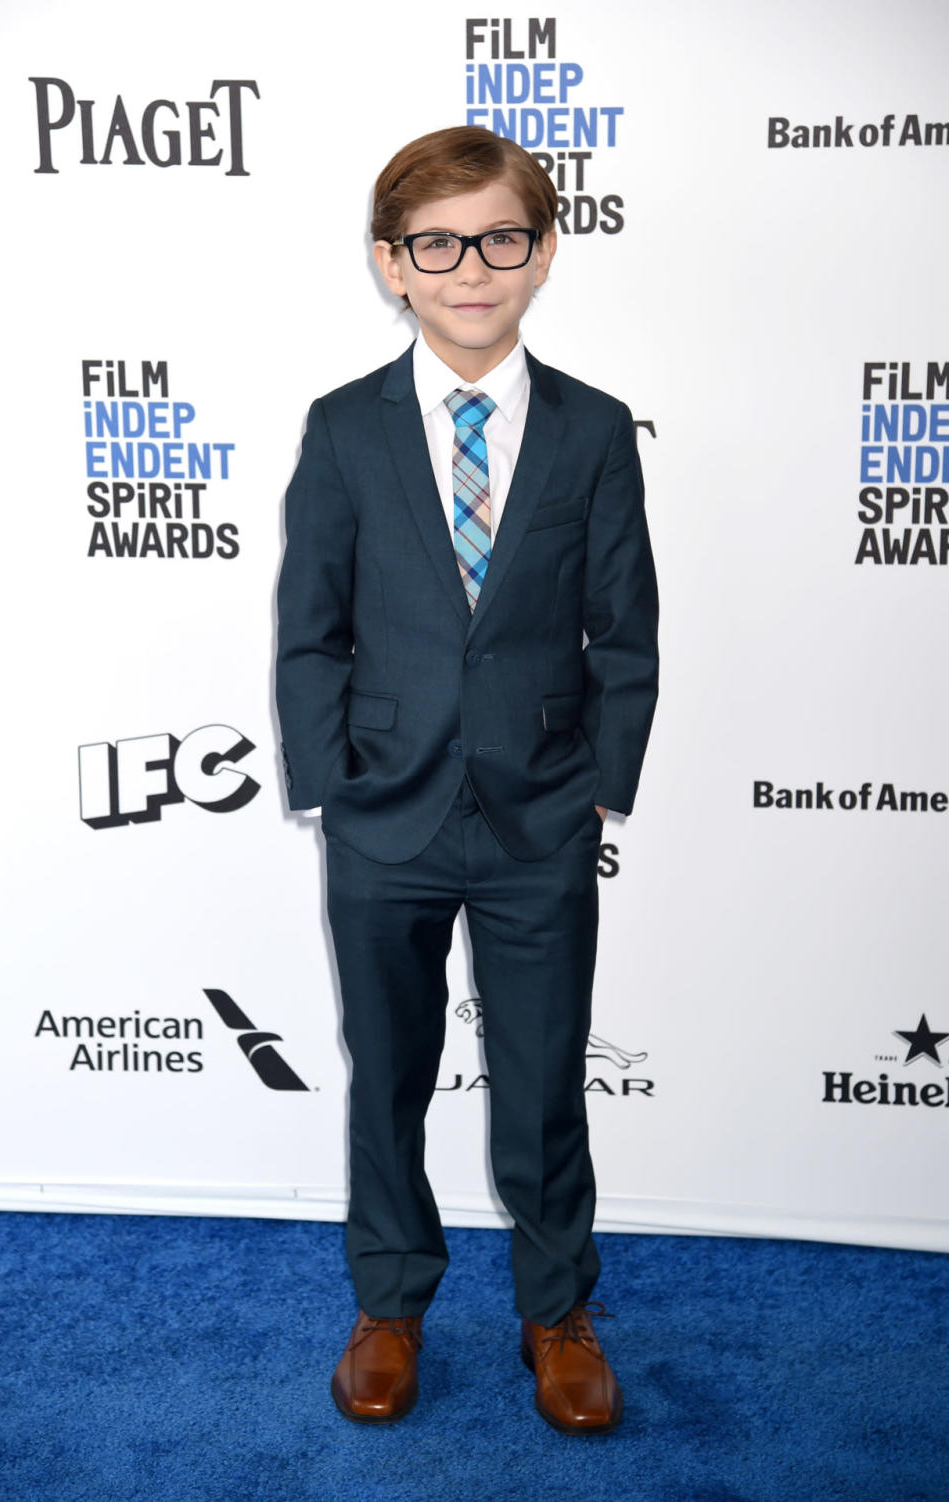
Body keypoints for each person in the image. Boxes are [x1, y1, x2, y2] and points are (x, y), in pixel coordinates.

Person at [275, 125, 658, 1434]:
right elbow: (310, 624)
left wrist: (599, 785)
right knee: (386, 1068)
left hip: (539, 816)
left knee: (546, 1077)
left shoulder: (599, 431)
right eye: (437, 245)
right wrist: (332, 783)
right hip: (384, 815)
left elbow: (629, 625)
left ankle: (558, 1308)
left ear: (543, 254)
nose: (470, 268)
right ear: (393, 267)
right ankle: (390, 1299)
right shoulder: (342, 429)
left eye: (500, 239)